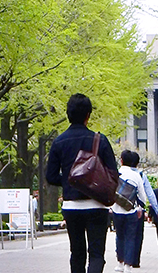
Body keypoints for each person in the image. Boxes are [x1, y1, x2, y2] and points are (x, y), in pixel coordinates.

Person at [46, 93, 117, 273]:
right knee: (96, 254)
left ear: (68, 114)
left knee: (76, 253)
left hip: (71, 206)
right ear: (88, 115)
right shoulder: (100, 140)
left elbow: (50, 176)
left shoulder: (59, 142)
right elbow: (113, 174)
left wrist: (71, 182)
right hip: (97, 205)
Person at [111, 150, 151, 273]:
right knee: (130, 237)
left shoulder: (115, 173)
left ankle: (120, 263)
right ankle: (128, 265)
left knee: (119, 236)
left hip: (116, 210)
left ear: (121, 160)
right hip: (131, 211)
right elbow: (142, 195)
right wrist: (140, 208)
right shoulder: (136, 175)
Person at [133, 153, 158, 268]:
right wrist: (157, 210)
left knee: (122, 235)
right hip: (138, 209)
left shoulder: (119, 173)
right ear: (137, 163)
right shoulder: (141, 175)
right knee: (138, 235)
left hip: (121, 209)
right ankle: (135, 260)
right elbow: (150, 194)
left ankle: (123, 258)